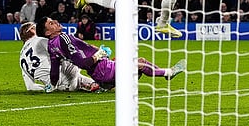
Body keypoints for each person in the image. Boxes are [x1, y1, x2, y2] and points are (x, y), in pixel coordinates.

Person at [35, 17, 186, 90]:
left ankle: (102, 86)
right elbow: (83, 63)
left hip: (101, 75)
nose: (55, 21)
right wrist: (98, 54)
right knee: (139, 65)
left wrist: (52, 86)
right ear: (48, 32)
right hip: (103, 70)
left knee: (138, 60)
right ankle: (168, 72)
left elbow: (54, 70)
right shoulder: (63, 37)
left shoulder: (51, 46)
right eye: (50, 23)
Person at [19, 21, 100, 92]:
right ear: (31, 31)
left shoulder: (21, 57)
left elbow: (30, 87)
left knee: (65, 65)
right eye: (34, 27)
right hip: (64, 77)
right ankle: (102, 66)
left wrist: (46, 88)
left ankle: (91, 83)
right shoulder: (40, 40)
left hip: (56, 86)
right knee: (71, 51)